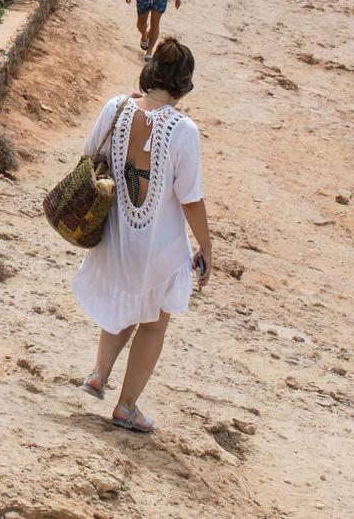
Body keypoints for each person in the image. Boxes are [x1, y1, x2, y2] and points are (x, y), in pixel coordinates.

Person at [72, 38, 210, 435]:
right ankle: (127, 406)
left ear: (149, 75)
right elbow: (191, 198)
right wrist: (206, 245)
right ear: (184, 84)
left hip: (115, 236)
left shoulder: (115, 106)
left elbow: (87, 154)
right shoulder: (184, 130)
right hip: (160, 246)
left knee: (125, 305)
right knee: (153, 322)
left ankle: (98, 375)